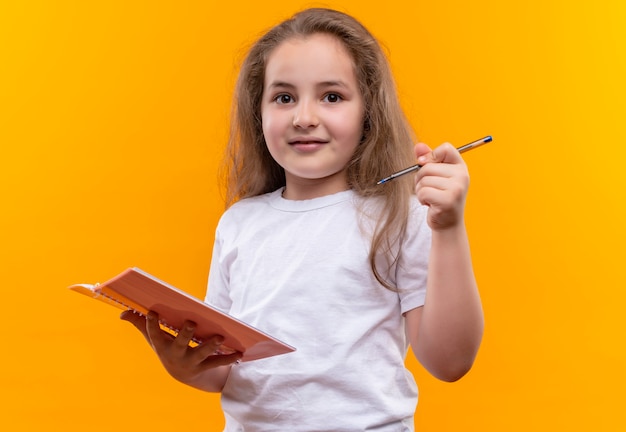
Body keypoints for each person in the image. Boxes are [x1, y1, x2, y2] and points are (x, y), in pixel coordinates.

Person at [122, 7, 484, 431]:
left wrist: (449, 228)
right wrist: (185, 365)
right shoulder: (239, 223)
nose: (304, 117)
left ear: (369, 112)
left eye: (332, 96)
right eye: (284, 97)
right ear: (258, 113)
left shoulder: (400, 216)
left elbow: (450, 361)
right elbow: (222, 369)